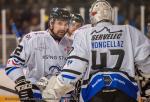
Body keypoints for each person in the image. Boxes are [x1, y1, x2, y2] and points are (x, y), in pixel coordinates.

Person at [40, 0, 150, 102]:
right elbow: (147, 65)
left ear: (92, 16)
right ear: (111, 14)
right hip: (127, 90)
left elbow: (74, 69)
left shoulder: (84, 34)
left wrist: (54, 90)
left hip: (94, 91)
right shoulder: (129, 31)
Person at [5, 7, 71, 102]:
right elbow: (12, 63)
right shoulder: (32, 39)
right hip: (36, 94)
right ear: (51, 23)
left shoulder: (71, 43)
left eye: (66, 24)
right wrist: (21, 83)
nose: (63, 28)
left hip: (62, 96)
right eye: (60, 23)